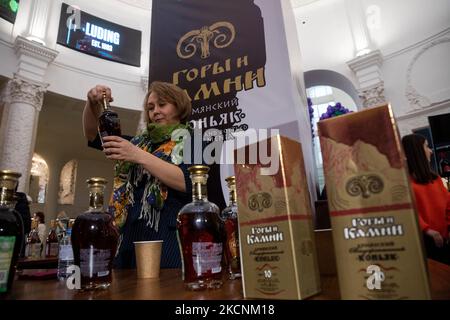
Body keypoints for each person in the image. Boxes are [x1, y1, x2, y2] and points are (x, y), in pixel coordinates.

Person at [82, 81, 193, 269]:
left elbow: (187, 181)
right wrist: (92, 103)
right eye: (150, 108)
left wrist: (137, 155)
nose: (155, 111)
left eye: (162, 105)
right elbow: (93, 135)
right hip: (126, 241)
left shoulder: (195, 141)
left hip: (168, 241)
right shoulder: (137, 142)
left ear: (179, 106)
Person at [402, 134, 450, 265]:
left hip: (445, 240)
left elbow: (448, 205)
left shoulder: (436, 179)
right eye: (427, 146)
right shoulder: (405, 184)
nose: (431, 150)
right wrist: (428, 230)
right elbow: (408, 213)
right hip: (426, 246)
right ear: (417, 151)